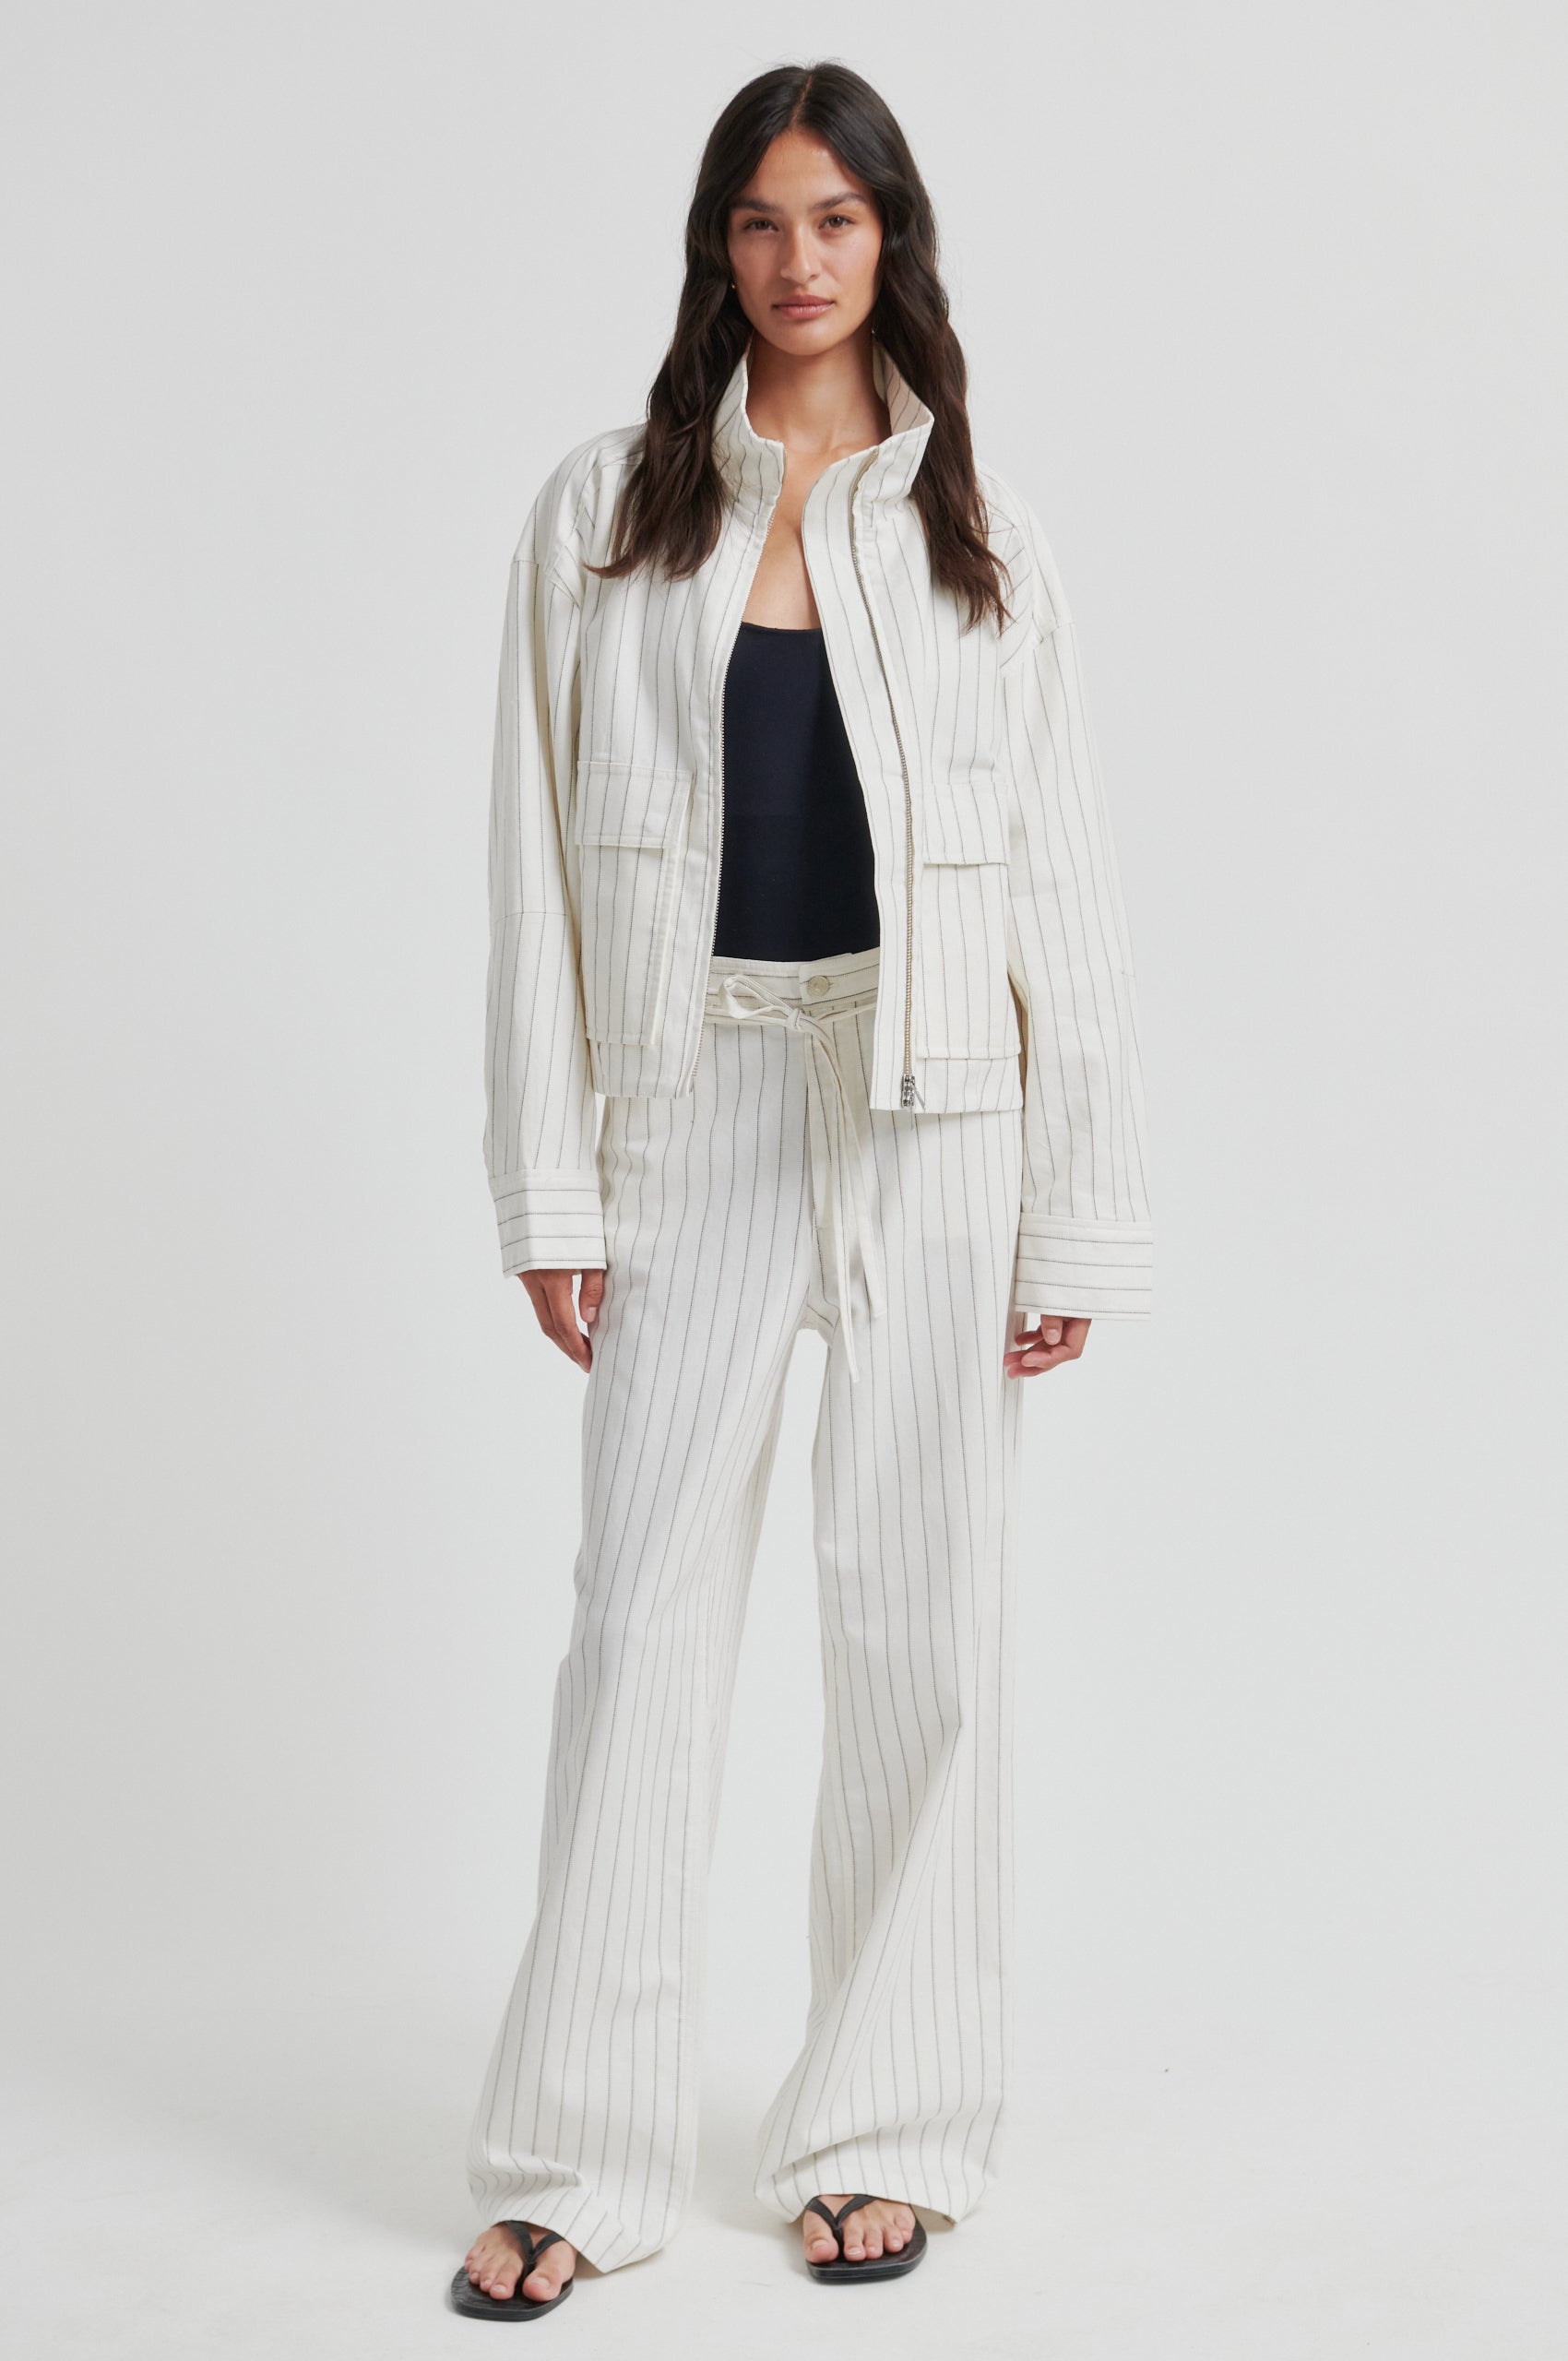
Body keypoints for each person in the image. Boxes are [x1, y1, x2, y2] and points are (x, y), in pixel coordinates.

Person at [449, 58, 1154, 2321]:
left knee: (918, 1626)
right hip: (699, 1097)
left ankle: (887, 2130)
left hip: (936, 1107)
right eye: (759, 220)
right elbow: (532, 864)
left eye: (835, 219)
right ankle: (584, 2154)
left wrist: (1077, 1200)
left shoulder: (982, 532)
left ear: (890, 241)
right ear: (716, 247)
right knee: (640, 1624)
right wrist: (552, 1185)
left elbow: (1059, 879)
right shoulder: (603, 511)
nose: (797, 259)